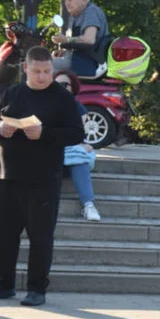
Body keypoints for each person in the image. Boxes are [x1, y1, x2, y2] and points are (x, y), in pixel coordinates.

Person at [0, 47, 85, 307]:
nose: (42, 76)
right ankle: (3, 285)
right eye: (37, 71)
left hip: (43, 180)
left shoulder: (62, 98)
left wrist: (45, 133)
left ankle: (37, 289)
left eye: (47, 71)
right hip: (8, 178)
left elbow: (76, 134)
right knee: (4, 235)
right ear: (26, 69)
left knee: (40, 237)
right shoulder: (12, 93)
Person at [54, 70, 101, 221]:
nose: (59, 87)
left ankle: (88, 205)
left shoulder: (78, 108)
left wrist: (82, 144)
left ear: (72, 88)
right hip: (50, 159)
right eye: (56, 84)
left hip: (68, 156)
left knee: (79, 156)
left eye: (64, 85)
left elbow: (75, 133)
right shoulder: (43, 105)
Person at [51, 0, 109, 78]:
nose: (67, 3)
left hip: (85, 62)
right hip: (77, 59)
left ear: (83, 0)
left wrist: (65, 40)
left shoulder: (91, 12)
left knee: (39, 64)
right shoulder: (76, 15)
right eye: (65, 0)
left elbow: (89, 40)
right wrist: (64, 51)